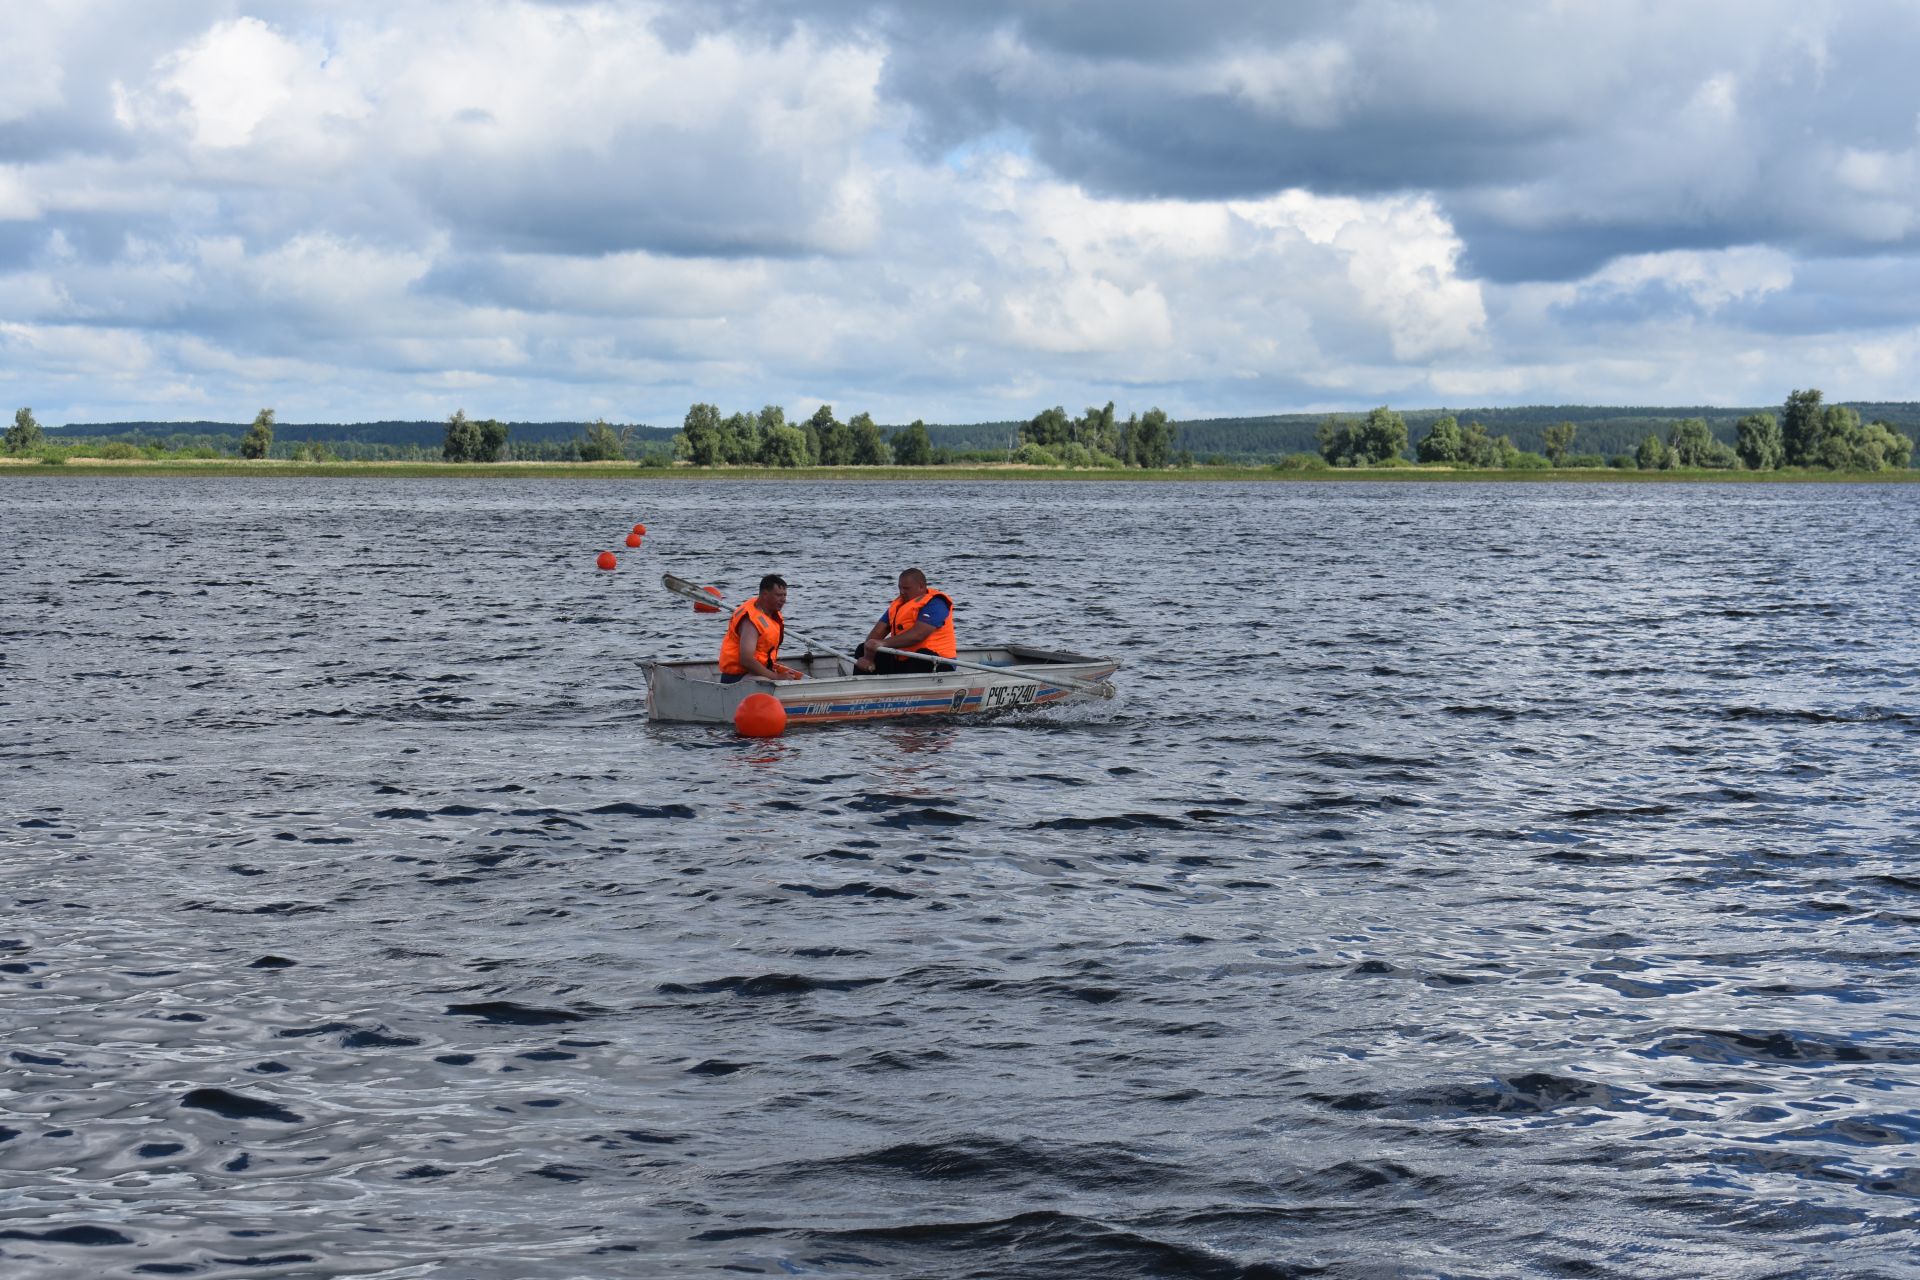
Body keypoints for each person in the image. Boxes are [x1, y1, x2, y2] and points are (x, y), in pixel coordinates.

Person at [855, 568, 956, 675]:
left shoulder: (936, 603)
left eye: (906, 588)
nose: (902, 592)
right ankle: (861, 687)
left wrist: (882, 643)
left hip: (939, 662)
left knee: (922, 656)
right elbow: (876, 633)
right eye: (900, 588)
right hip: (906, 659)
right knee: (863, 648)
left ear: (921, 587)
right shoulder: (898, 605)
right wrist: (868, 655)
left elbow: (918, 635)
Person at [718, 574, 804, 683]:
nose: (783, 600)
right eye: (778, 595)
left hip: (755, 673)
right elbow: (746, 660)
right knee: (774, 683)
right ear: (764, 594)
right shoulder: (751, 621)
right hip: (737, 678)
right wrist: (776, 677)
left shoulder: (770, 614)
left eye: (784, 595)